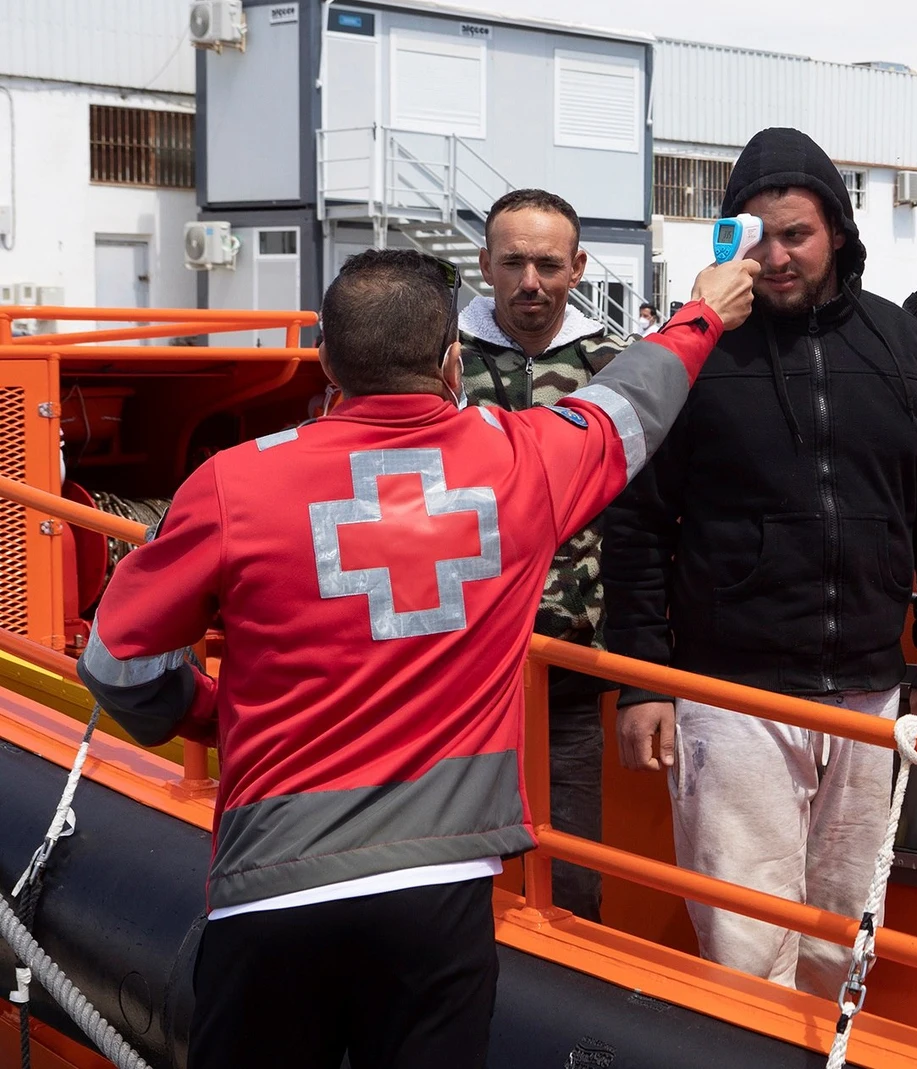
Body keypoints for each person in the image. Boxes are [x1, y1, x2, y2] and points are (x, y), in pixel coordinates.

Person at [76, 248, 758, 1068]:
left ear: (326, 361)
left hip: (273, 889)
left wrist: (215, 718)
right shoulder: (524, 461)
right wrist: (703, 311)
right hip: (441, 896)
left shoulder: (232, 483)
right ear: (451, 362)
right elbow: (629, 401)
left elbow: (119, 662)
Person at [601, 126, 917, 995]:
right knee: (745, 947)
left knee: (842, 938)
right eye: (752, 235)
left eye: (796, 235)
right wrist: (641, 680)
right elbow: (636, 524)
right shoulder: (690, 352)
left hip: (867, 693)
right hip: (730, 699)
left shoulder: (900, 347)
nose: (774, 257)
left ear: (839, 235)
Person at [458, 188, 622, 920]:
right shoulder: (440, 365)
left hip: (571, 667)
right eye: (515, 261)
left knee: (573, 867)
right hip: (457, 666)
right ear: (485, 264)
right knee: (456, 861)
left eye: (549, 264)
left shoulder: (618, 368)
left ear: (578, 267)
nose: (532, 281)